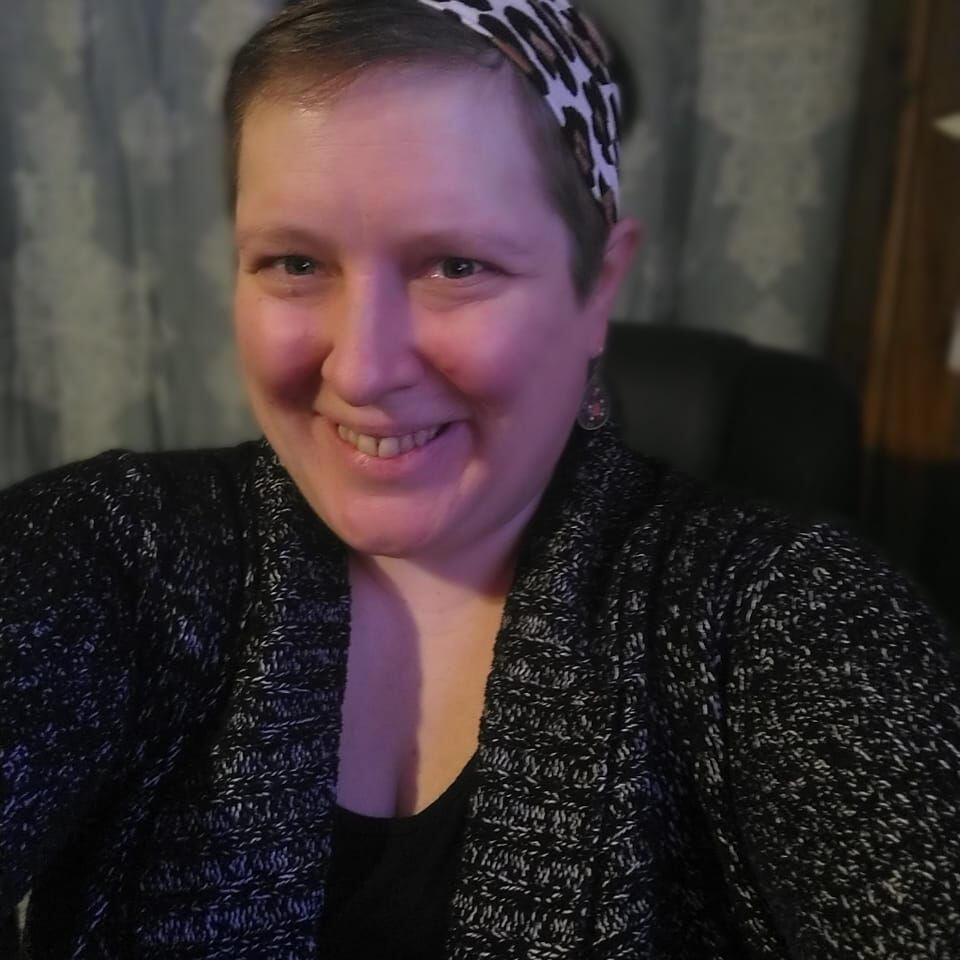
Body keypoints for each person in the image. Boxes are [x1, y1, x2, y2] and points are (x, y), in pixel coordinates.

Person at [1, 0, 959, 957]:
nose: (363, 369)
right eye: (294, 262)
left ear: (599, 289)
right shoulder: (117, 552)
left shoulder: (779, 613)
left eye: (456, 264)